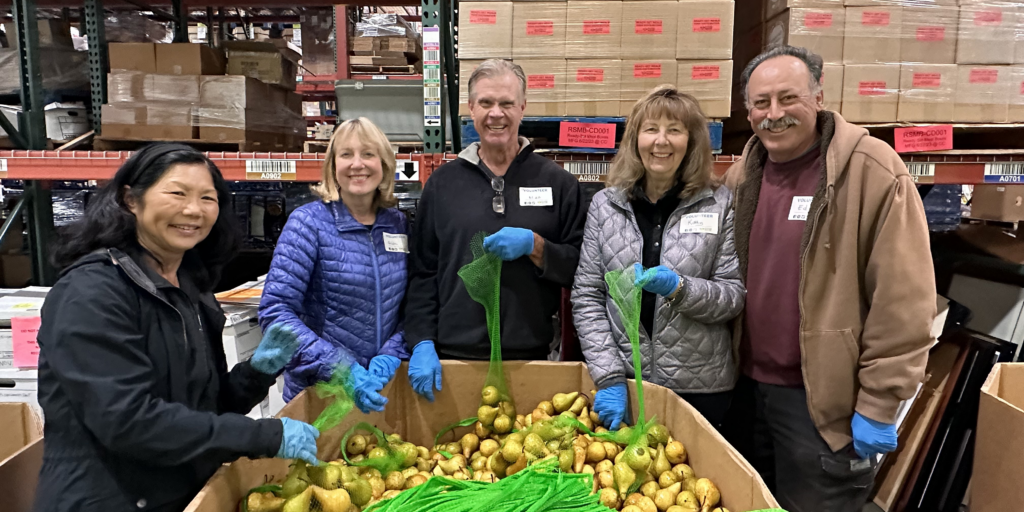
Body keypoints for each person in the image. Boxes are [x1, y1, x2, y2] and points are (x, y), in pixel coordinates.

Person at [34, 144, 320, 512]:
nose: (193, 210)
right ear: (130, 199)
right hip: (108, 498)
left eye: (207, 197)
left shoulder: (189, 286)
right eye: (177, 193)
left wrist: (255, 374)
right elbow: (129, 421)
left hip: (181, 493)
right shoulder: (91, 294)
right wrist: (262, 435)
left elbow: (200, 409)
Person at [722, 46, 936, 512]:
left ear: (819, 97)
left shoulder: (872, 171)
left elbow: (905, 300)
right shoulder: (742, 176)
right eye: (761, 104)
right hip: (745, 392)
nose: (773, 114)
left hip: (821, 406)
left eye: (788, 98)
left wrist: (880, 401)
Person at [405, 58, 586, 401]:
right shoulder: (443, 184)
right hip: (452, 357)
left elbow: (580, 267)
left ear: (523, 107)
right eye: (486, 103)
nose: (496, 114)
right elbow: (423, 272)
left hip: (531, 356)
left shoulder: (558, 183)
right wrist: (422, 341)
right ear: (471, 108)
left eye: (506, 103)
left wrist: (537, 247)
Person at [571, 86, 744, 431]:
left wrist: (680, 288)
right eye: (651, 129)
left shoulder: (719, 204)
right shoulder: (606, 206)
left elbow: (732, 297)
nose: (661, 141)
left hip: (700, 390)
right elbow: (587, 296)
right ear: (635, 139)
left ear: (691, 141)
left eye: (674, 130)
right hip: (627, 383)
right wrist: (608, 375)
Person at [259, 118, 409, 412]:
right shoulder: (308, 223)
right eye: (346, 154)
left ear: (384, 164)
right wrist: (339, 366)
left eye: (368, 154)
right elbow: (275, 311)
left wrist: (393, 351)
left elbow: (410, 303)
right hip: (321, 393)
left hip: (383, 390)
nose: (358, 164)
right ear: (332, 165)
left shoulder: (398, 223)